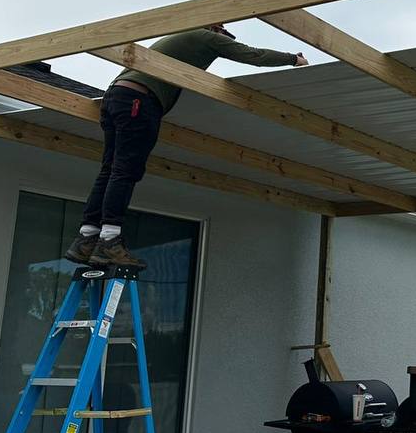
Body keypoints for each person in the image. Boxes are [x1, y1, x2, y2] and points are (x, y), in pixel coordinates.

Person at [65, 24, 306, 268]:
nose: (227, 41)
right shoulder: (207, 36)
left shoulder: (178, 40)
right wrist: (293, 59)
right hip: (139, 101)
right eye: (226, 36)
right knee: (126, 170)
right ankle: (109, 240)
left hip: (115, 98)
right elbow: (253, 55)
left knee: (110, 169)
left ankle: (86, 238)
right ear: (217, 29)